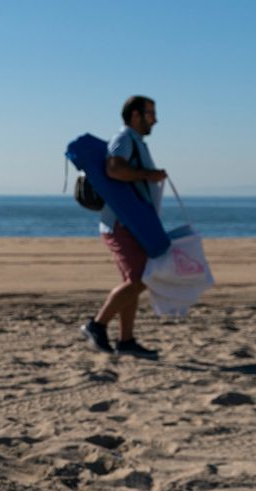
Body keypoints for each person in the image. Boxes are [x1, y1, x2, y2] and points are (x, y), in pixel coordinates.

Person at [80, 95, 168, 358]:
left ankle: (126, 341)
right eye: (151, 113)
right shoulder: (124, 139)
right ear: (135, 115)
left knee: (132, 281)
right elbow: (114, 169)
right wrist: (149, 175)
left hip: (130, 224)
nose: (156, 119)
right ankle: (96, 325)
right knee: (141, 279)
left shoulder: (135, 142)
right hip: (120, 225)